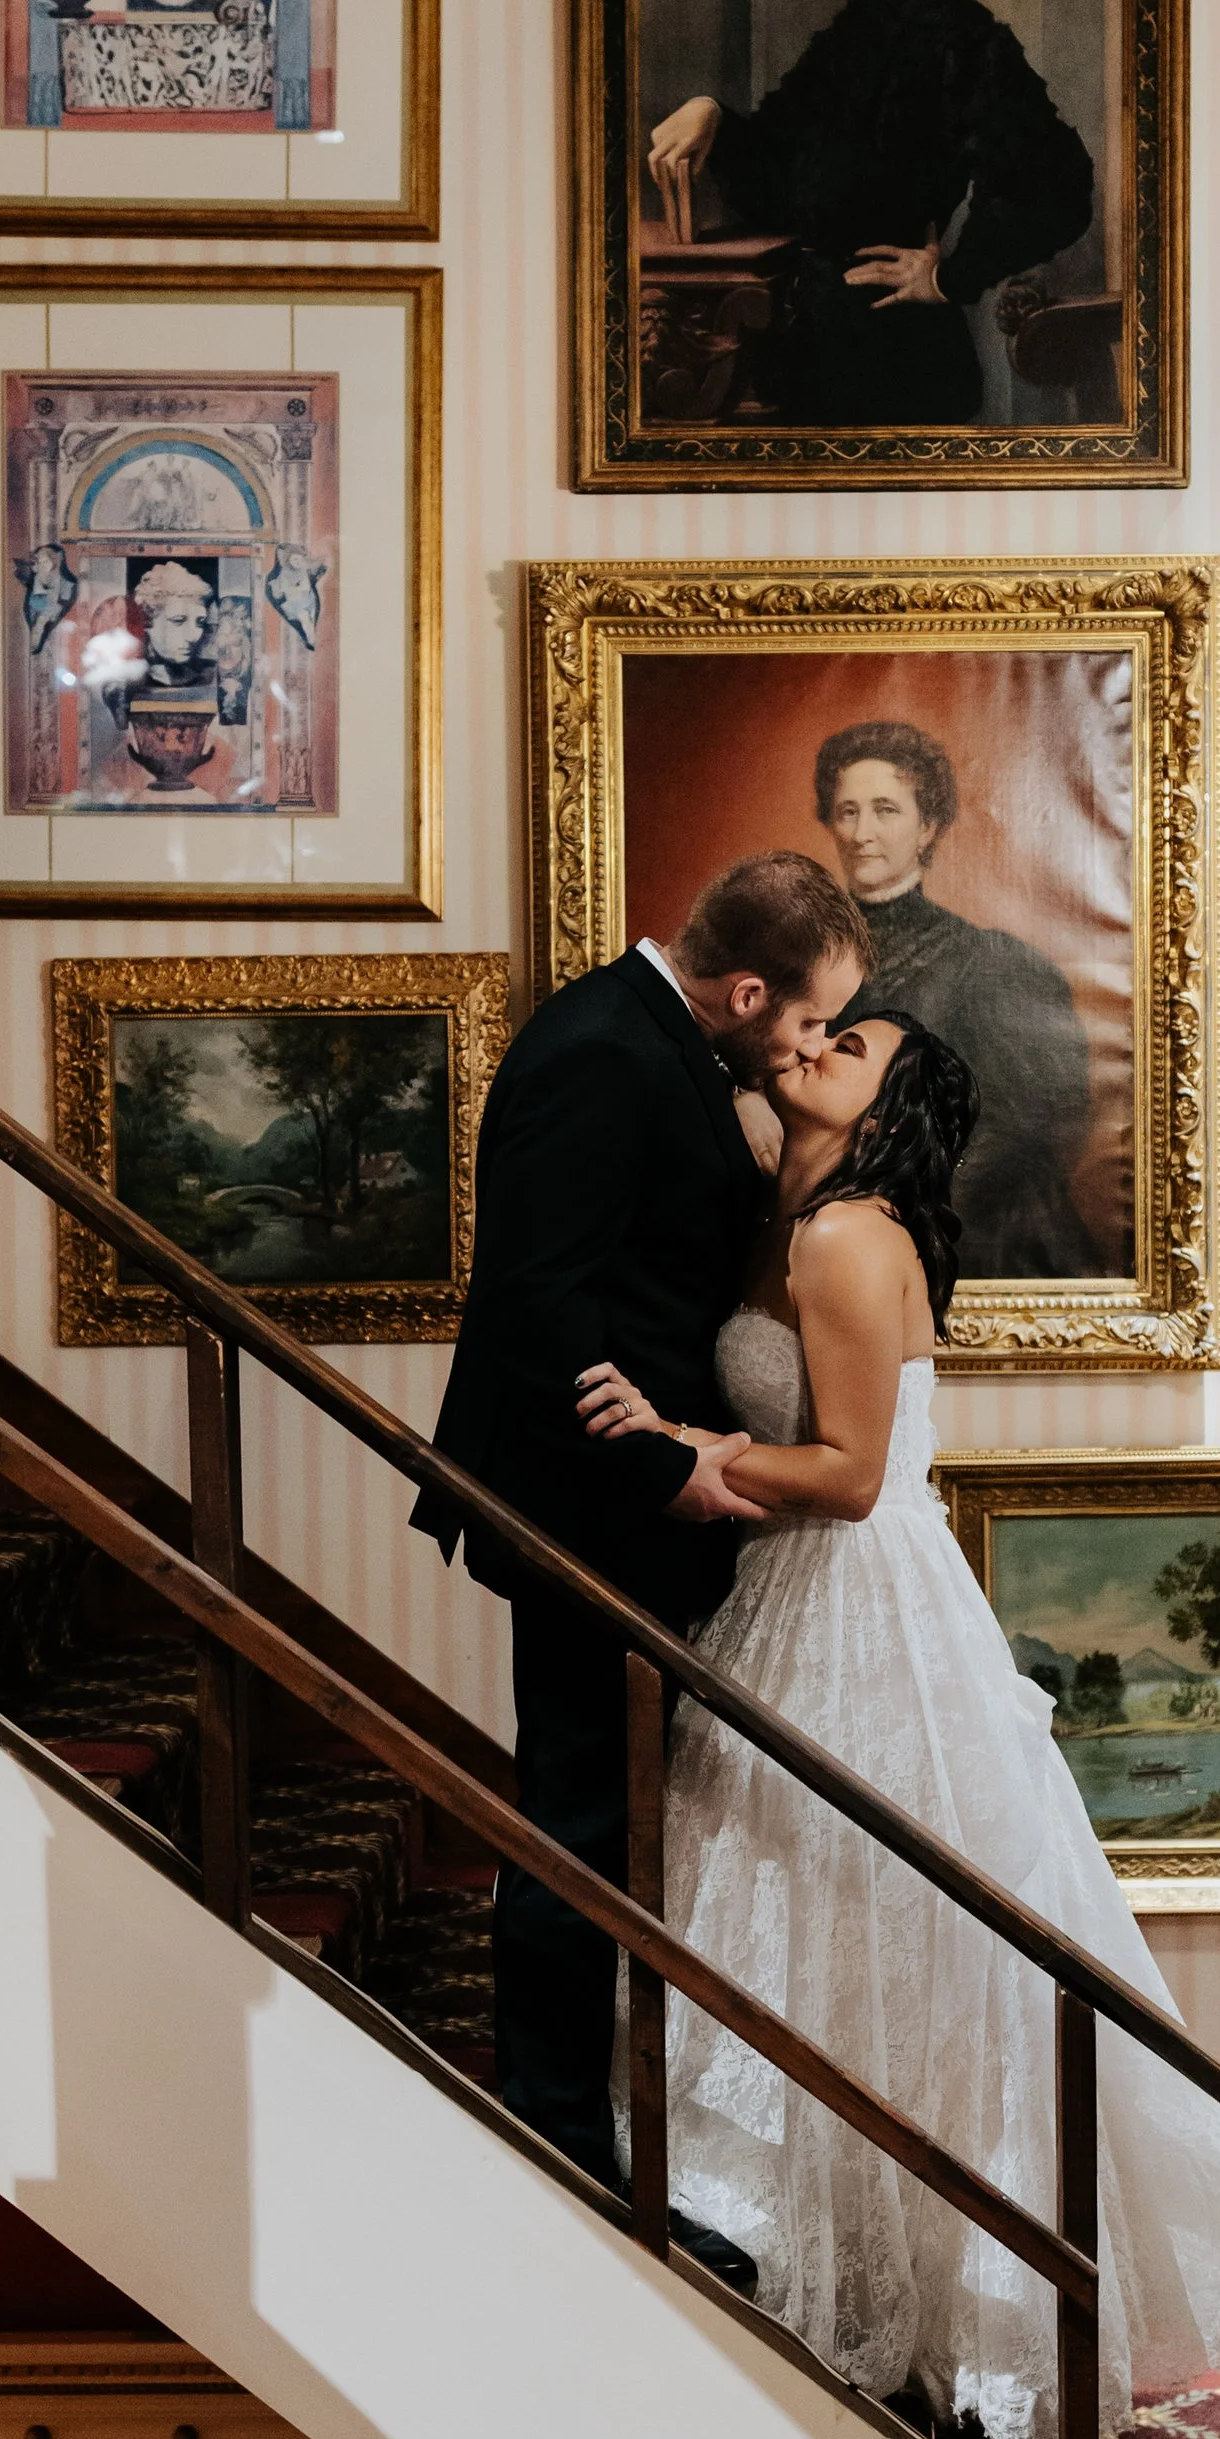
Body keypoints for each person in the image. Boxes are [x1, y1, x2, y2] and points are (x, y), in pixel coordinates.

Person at [574, 1012, 1220, 2439]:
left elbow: (849, 1477)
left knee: (869, 1927)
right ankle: (852, 2291)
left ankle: (919, 2324)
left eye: (845, 1041)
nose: (808, 1042)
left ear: (888, 1099)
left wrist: (688, 1457)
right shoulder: (810, 1218)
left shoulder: (847, 1237)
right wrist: (681, 1426)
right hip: (806, 1596)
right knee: (821, 1935)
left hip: (856, 1597)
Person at [416, 852, 874, 2275]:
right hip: (582, 1510)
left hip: (620, 1497)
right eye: (803, 1022)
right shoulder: (604, 1053)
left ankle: (591, 2120)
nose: (803, 1048)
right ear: (746, 991)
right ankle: (558, 2139)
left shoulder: (652, 1041)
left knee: (612, 1818)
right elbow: (536, 1297)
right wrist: (659, 1462)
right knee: (577, 1823)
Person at [645, 0, 1094, 426]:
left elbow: (1056, 181)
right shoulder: (846, 32)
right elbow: (783, 182)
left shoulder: (958, 33)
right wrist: (713, 115)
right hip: (811, 347)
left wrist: (950, 276)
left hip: (899, 354)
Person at [815, 719, 1097, 1276]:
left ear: (928, 828)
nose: (861, 831)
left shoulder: (990, 963)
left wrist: (898, 1213)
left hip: (969, 1239)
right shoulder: (804, 960)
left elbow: (1033, 1122)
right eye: (847, 811)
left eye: (885, 810)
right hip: (829, 1232)